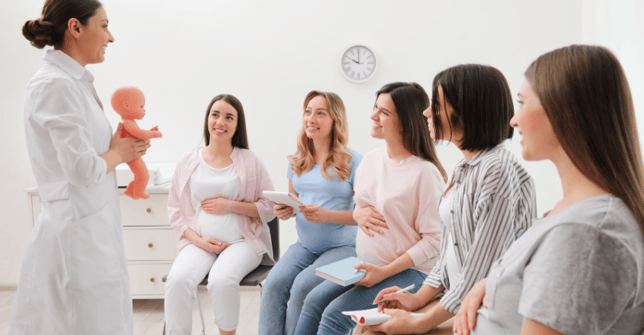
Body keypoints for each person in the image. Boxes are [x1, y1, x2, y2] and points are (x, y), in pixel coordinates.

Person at [453, 45, 644, 335]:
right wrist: (493, 284)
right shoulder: (574, 216)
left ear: (563, 110)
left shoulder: (583, 233)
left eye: (521, 102)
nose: (513, 120)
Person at [361, 64, 538, 335]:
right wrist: (418, 299)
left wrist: (419, 323)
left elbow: (478, 273)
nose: (426, 113)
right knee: (368, 328)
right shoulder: (463, 168)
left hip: (489, 313)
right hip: (461, 302)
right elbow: (450, 252)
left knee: (373, 331)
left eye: (437, 106)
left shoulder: (497, 171)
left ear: (467, 111)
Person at [9, 1, 150, 334]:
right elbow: (82, 169)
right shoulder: (55, 84)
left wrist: (115, 147)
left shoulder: (72, 82)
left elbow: (87, 156)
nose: (110, 36)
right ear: (75, 27)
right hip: (76, 237)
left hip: (90, 230)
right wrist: (121, 150)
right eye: (103, 25)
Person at [295, 82, 448, 335]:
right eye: (375, 108)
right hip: (365, 263)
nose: (373, 116)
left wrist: (384, 272)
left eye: (383, 112)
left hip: (410, 272)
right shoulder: (370, 161)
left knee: (335, 316)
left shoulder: (424, 173)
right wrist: (357, 214)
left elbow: (435, 239)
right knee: (312, 301)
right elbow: (365, 211)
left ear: (405, 121)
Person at [164, 94, 275, 335]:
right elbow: (175, 210)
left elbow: (270, 207)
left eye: (228, 117)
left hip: (241, 242)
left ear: (237, 124)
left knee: (221, 280)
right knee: (177, 281)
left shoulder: (249, 161)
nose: (220, 122)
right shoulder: (188, 161)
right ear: (207, 119)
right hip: (200, 242)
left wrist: (230, 206)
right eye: (215, 115)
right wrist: (199, 241)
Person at [259, 90, 362, 335]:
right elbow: (296, 203)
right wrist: (286, 210)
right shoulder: (297, 160)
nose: (311, 119)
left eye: (320, 113)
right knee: (273, 284)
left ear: (335, 119)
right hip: (304, 245)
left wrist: (327, 215)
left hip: (343, 249)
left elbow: (364, 215)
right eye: (308, 112)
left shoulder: (353, 161)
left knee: (303, 287)